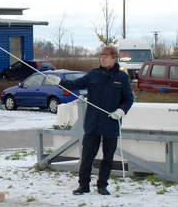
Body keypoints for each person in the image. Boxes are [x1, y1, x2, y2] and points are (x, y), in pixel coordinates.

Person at [57, 45, 134, 196]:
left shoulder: (121, 77)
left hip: (111, 124)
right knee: (87, 156)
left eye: (106, 56)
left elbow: (128, 100)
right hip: (93, 123)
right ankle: (83, 185)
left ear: (114, 58)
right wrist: (59, 82)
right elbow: (75, 85)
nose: (103, 58)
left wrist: (120, 111)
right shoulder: (93, 74)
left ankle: (102, 185)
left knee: (108, 157)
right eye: (102, 55)